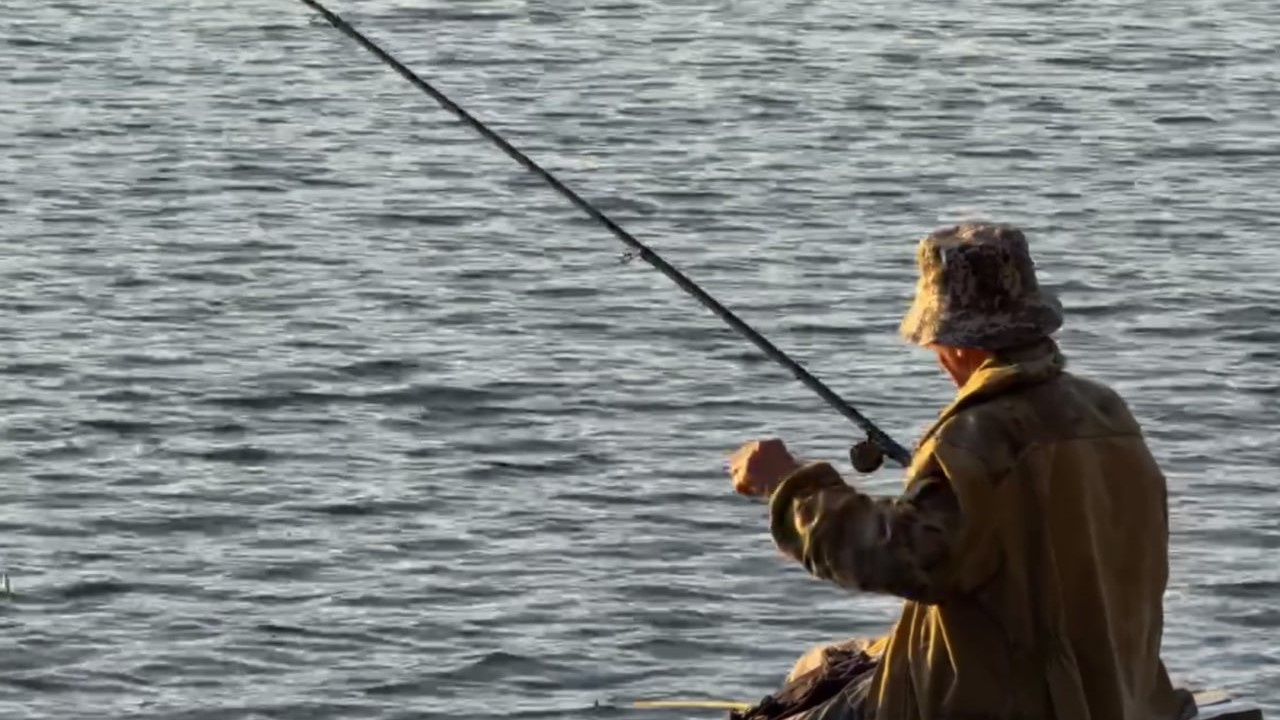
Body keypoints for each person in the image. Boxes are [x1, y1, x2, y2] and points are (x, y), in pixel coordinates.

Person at [727, 223, 1195, 720]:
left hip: (1010, 703)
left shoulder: (978, 437)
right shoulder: (1108, 414)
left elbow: (901, 558)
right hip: (1117, 691)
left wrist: (788, 486)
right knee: (821, 662)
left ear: (955, 343)